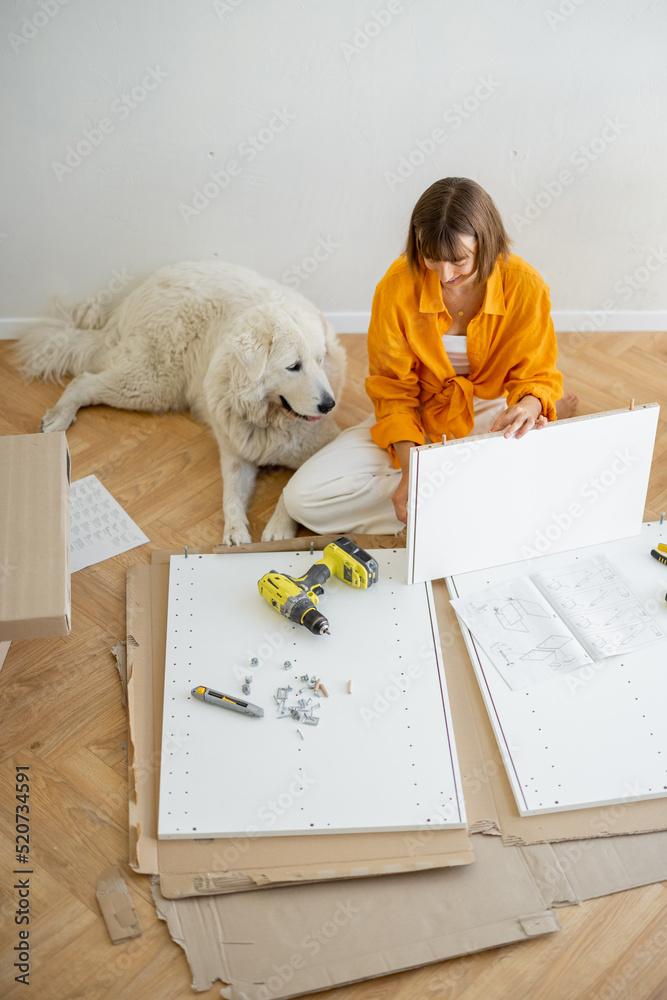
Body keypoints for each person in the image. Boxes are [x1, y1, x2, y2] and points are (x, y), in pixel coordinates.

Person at [282, 177, 576, 535]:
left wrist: (528, 407)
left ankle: (440, 501)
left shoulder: (526, 286)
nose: (445, 275)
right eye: (431, 259)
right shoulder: (395, 287)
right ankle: (457, 501)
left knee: (549, 487)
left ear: (488, 242)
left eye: (459, 262)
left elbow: (536, 376)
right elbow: (392, 392)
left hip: (491, 407)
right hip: (418, 411)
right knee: (302, 498)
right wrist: (411, 472)